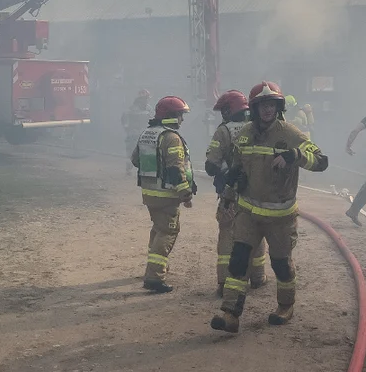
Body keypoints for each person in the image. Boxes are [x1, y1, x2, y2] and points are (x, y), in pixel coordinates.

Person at [211, 81, 329, 334]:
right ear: (254, 108)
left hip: (280, 217)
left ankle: (285, 306)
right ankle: (230, 313)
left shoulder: (290, 134)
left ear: (278, 107)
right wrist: (229, 196)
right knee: (239, 260)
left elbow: (321, 161)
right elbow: (237, 170)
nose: (268, 110)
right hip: (249, 213)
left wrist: (295, 155)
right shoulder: (243, 134)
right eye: (263, 105)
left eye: (272, 105)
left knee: (281, 264)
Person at [130, 95, 196, 293]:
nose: (182, 120)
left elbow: (135, 160)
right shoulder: (171, 137)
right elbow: (176, 169)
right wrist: (185, 194)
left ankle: (155, 267)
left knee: (158, 229)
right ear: (171, 116)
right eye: (180, 116)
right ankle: (155, 277)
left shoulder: (147, 133)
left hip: (150, 194)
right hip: (167, 195)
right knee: (168, 231)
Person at [205, 90, 267, 296]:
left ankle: (224, 282)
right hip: (258, 191)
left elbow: (212, 163)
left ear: (228, 110)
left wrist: (219, 171)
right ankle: (258, 277)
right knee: (257, 232)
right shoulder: (259, 127)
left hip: (231, 192)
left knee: (228, 233)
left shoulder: (224, 131)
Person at [122, 89, 152, 175]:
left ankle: (144, 170)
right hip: (133, 134)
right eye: (145, 98)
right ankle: (129, 168)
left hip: (145, 133)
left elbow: (152, 118)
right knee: (132, 151)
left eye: (147, 98)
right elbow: (125, 120)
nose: (146, 100)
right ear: (139, 99)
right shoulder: (132, 109)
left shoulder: (149, 108)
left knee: (146, 151)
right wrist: (128, 129)